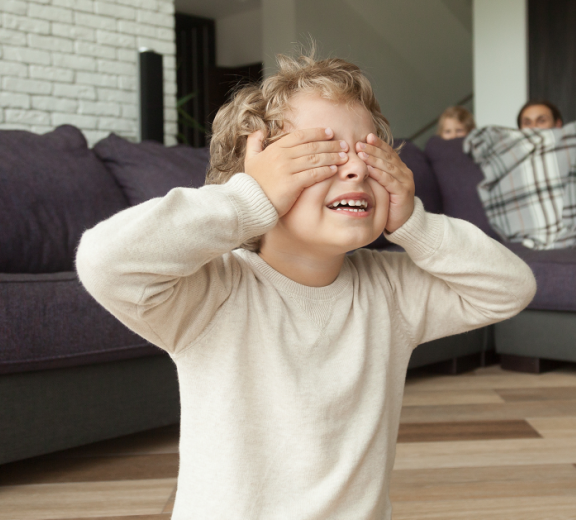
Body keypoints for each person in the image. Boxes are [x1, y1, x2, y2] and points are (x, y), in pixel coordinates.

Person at [75, 51, 536, 519]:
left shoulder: (390, 294)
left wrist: (413, 222)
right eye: (321, 155)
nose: (355, 169)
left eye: (368, 153)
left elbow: (509, 287)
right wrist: (247, 199)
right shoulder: (212, 294)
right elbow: (105, 261)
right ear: (256, 179)